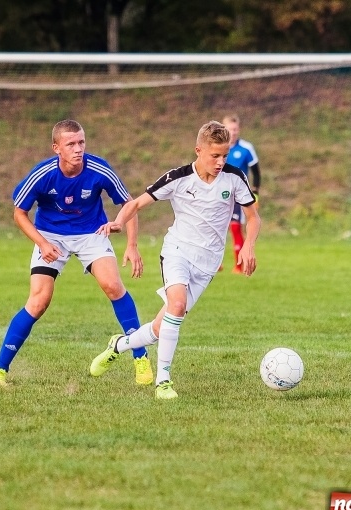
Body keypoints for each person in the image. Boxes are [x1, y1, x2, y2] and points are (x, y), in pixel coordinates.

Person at [89, 120, 260, 400]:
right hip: (177, 251)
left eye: (224, 155)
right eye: (214, 155)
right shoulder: (178, 178)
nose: (220, 162)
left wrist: (248, 246)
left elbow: (253, 217)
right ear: (198, 150)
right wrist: (119, 223)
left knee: (160, 327)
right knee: (177, 306)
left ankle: (119, 345)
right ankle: (163, 382)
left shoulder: (234, 177)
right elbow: (135, 203)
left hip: (207, 264)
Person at [0, 119, 149, 387]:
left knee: (112, 285)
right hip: (50, 235)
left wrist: (132, 245)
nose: (78, 149)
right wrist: (41, 243)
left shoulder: (99, 169)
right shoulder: (43, 174)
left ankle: (140, 358)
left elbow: (129, 204)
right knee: (39, 300)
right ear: (56, 148)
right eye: (71, 144)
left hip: (91, 233)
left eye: (81, 142)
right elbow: (19, 213)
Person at [222, 114, 261, 274]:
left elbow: (256, 172)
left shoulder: (246, 148)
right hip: (219, 194)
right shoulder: (218, 148)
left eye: (236, 129)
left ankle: (239, 265)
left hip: (239, 195)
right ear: (224, 129)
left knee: (236, 228)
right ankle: (214, 263)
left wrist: (256, 193)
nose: (234, 132)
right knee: (214, 228)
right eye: (231, 129)